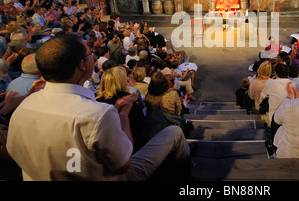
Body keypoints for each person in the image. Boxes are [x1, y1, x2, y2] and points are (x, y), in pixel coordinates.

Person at [6, 34, 190, 181]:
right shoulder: (97, 115)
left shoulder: (23, 107)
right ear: (82, 64)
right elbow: (123, 164)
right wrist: (124, 114)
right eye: (89, 55)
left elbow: (12, 152)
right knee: (173, 132)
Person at [96, 65, 146, 147]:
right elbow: (139, 129)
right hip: (128, 148)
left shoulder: (94, 100)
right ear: (123, 82)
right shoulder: (131, 103)